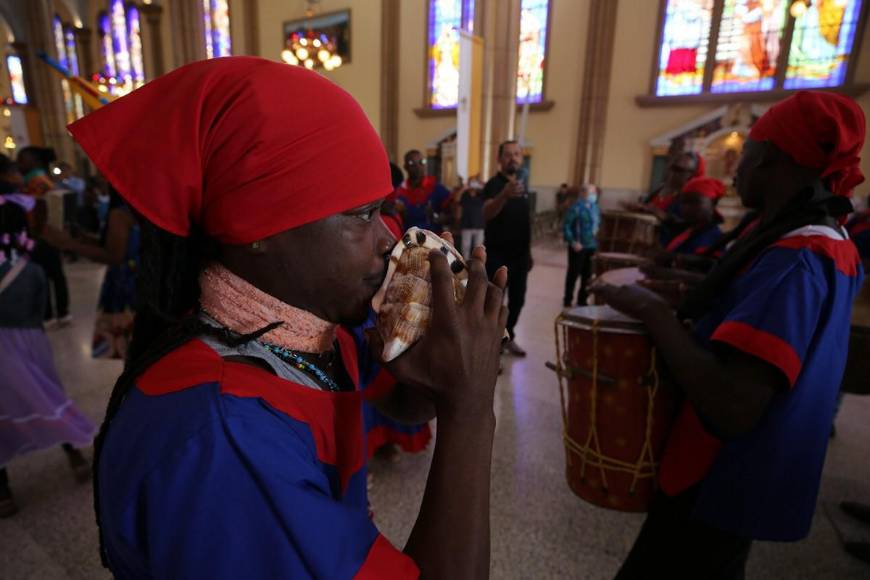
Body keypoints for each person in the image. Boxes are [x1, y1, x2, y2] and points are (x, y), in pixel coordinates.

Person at [70, 57, 507, 579]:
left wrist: (434, 361)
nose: (389, 241)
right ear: (258, 227)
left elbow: (399, 405)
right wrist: (470, 410)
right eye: (363, 215)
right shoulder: (225, 437)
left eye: (384, 211)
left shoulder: (318, 333)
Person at [596, 91, 865, 579]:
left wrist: (651, 311)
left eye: (746, 155)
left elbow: (732, 405)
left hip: (719, 475)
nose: (734, 172)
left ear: (773, 159)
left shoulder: (798, 259)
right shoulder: (830, 240)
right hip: (749, 474)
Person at [0, 196, 94, 518]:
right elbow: (40, 310)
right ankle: (74, 454)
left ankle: (3, 491)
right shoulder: (33, 268)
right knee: (48, 393)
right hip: (31, 342)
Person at [41, 185, 140, 359]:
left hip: (125, 288)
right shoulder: (143, 207)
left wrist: (68, 244)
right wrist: (84, 239)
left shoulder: (121, 213)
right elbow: (120, 245)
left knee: (130, 349)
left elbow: (115, 256)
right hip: (144, 281)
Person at [483, 140, 533, 357]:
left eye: (517, 154)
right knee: (494, 302)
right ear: (499, 159)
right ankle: (490, 346)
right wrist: (504, 195)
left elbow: (525, 221)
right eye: (508, 154)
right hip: (497, 255)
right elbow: (486, 214)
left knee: (518, 301)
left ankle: (507, 336)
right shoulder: (493, 185)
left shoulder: (523, 185)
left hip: (520, 256)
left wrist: (529, 252)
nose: (513, 158)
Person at [17, 146, 71, 327]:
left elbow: (31, 211)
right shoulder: (40, 179)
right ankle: (62, 313)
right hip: (45, 234)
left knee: (47, 276)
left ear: (36, 161)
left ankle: (50, 315)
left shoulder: (36, 181)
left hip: (40, 235)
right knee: (55, 275)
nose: (19, 164)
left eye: (22, 160)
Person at [663, 176, 725, 256]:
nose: (686, 208)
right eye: (683, 202)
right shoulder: (690, 230)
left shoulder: (712, 237)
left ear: (713, 203)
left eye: (694, 202)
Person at [394, 149, 451, 232]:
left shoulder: (436, 187)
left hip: (433, 237)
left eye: (421, 162)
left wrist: (437, 217)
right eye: (412, 163)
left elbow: (450, 214)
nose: (418, 167)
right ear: (405, 166)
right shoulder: (399, 191)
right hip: (407, 237)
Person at [562, 184, 600, 308]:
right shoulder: (576, 208)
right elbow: (566, 226)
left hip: (591, 245)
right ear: (583, 193)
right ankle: (568, 299)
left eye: (595, 193)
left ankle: (582, 299)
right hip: (578, 246)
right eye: (591, 193)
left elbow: (597, 222)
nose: (594, 195)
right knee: (573, 274)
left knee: (587, 275)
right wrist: (572, 242)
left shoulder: (595, 207)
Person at [454, 176, 486, 260]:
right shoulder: (464, 195)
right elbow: (456, 199)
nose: (473, 184)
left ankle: (478, 264)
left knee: (479, 248)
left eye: (475, 182)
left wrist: (482, 184)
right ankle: (465, 264)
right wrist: (464, 187)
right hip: (466, 225)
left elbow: (489, 196)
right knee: (465, 248)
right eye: (472, 182)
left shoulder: (481, 195)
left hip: (479, 225)